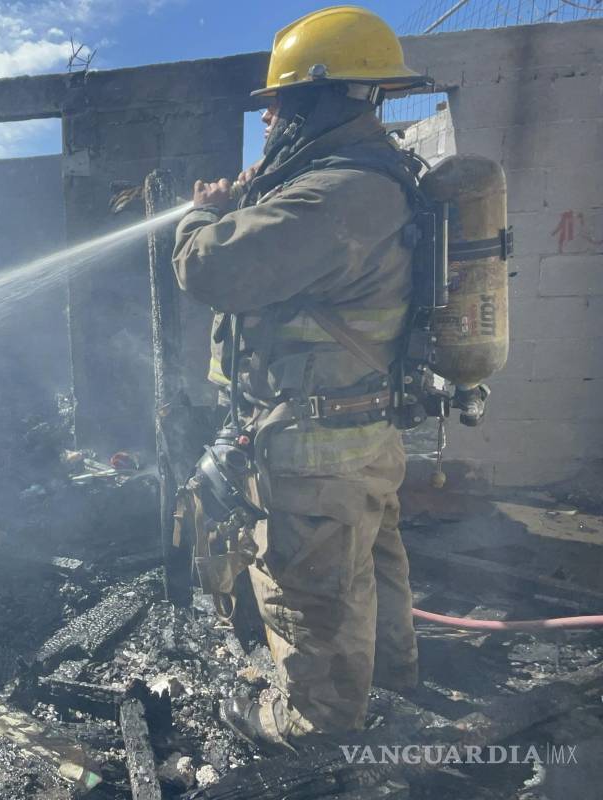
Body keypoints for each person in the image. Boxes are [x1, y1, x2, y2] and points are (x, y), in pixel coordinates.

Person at [171, 6, 433, 749]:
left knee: (309, 587)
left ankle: (313, 723)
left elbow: (215, 268)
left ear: (319, 97)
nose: (268, 121)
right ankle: (393, 676)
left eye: (278, 104)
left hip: (317, 447)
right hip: (358, 428)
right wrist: (257, 193)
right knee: (371, 560)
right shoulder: (359, 178)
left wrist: (201, 218)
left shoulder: (339, 193)